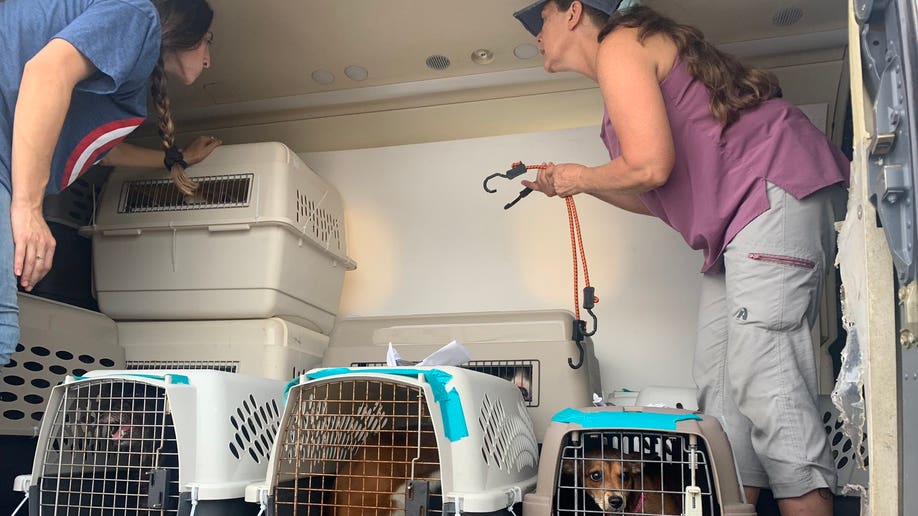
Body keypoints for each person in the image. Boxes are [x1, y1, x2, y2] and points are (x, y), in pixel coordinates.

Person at [512, 1, 848, 514]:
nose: (536, 33)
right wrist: (572, 186)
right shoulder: (619, 74)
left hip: (768, 191)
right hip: (732, 226)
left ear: (574, 12)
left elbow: (649, 165)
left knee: (766, 375)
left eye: (543, 19)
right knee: (719, 389)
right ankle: (734, 501)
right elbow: (655, 193)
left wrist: (580, 176)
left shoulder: (620, 44)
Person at [0, 0, 223, 368]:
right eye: (208, 42)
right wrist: (28, 208)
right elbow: (46, 73)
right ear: (186, 29)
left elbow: (95, 150)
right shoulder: (137, 14)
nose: (208, 60)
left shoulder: (126, 55)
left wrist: (176, 158)